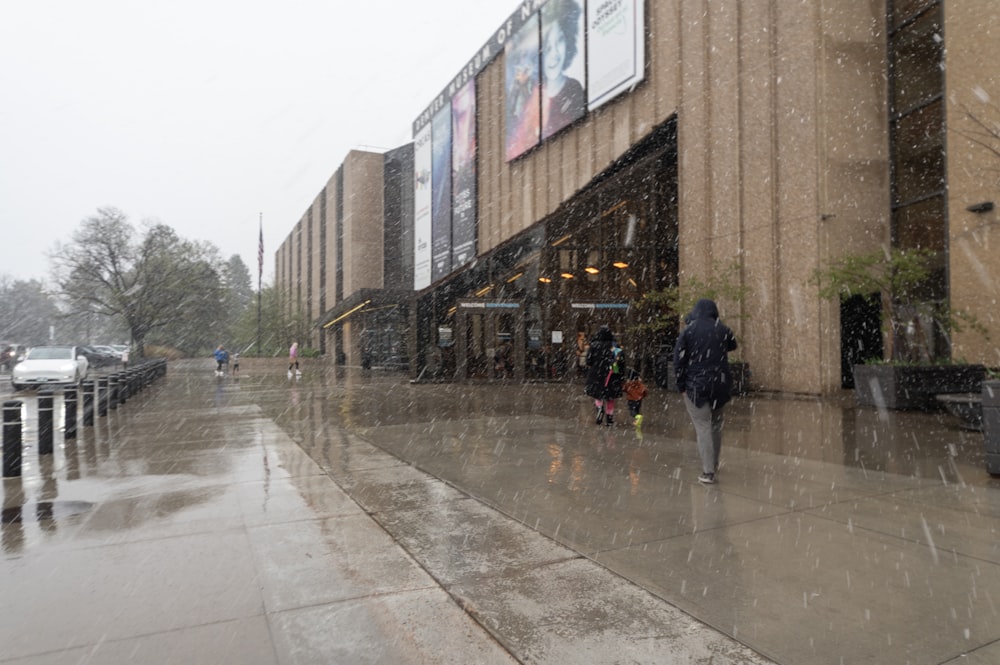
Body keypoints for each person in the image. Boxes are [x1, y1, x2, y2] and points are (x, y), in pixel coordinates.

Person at [673, 299, 739, 484]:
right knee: (717, 425)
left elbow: (678, 360)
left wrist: (681, 386)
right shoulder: (722, 329)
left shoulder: (689, 331)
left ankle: (708, 472)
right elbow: (733, 345)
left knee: (703, 426)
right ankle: (714, 464)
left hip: (697, 385)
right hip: (720, 384)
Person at [541, 0, 585, 139]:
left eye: (559, 40)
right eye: (547, 48)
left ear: (568, 41)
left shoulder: (574, 90)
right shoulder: (532, 100)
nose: (554, 54)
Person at [584, 326, 625, 426]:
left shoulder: (594, 346)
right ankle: (609, 418)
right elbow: (621, 363)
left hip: (596, 375)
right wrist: (622, 376)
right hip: (611, 375)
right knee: (610, 397)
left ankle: (599, 410)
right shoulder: (615, 347)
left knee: (598, 395)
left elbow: (588, 361)